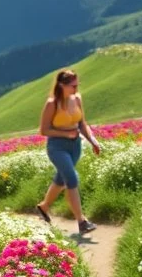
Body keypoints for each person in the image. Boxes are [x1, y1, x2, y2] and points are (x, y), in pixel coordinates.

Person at [35, 68, 100, 235]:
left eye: (77, 85)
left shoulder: (77, 99)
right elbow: (44, 130)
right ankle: (82, 221)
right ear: (62, 86)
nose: (76, 89)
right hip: (57, 147)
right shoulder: (52, 104)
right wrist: (65, 133)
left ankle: (44, 207)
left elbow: (82, 124)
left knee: (61, 179)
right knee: (71, 178)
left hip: (75, 145)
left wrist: (92, 140)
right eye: (72, 86)